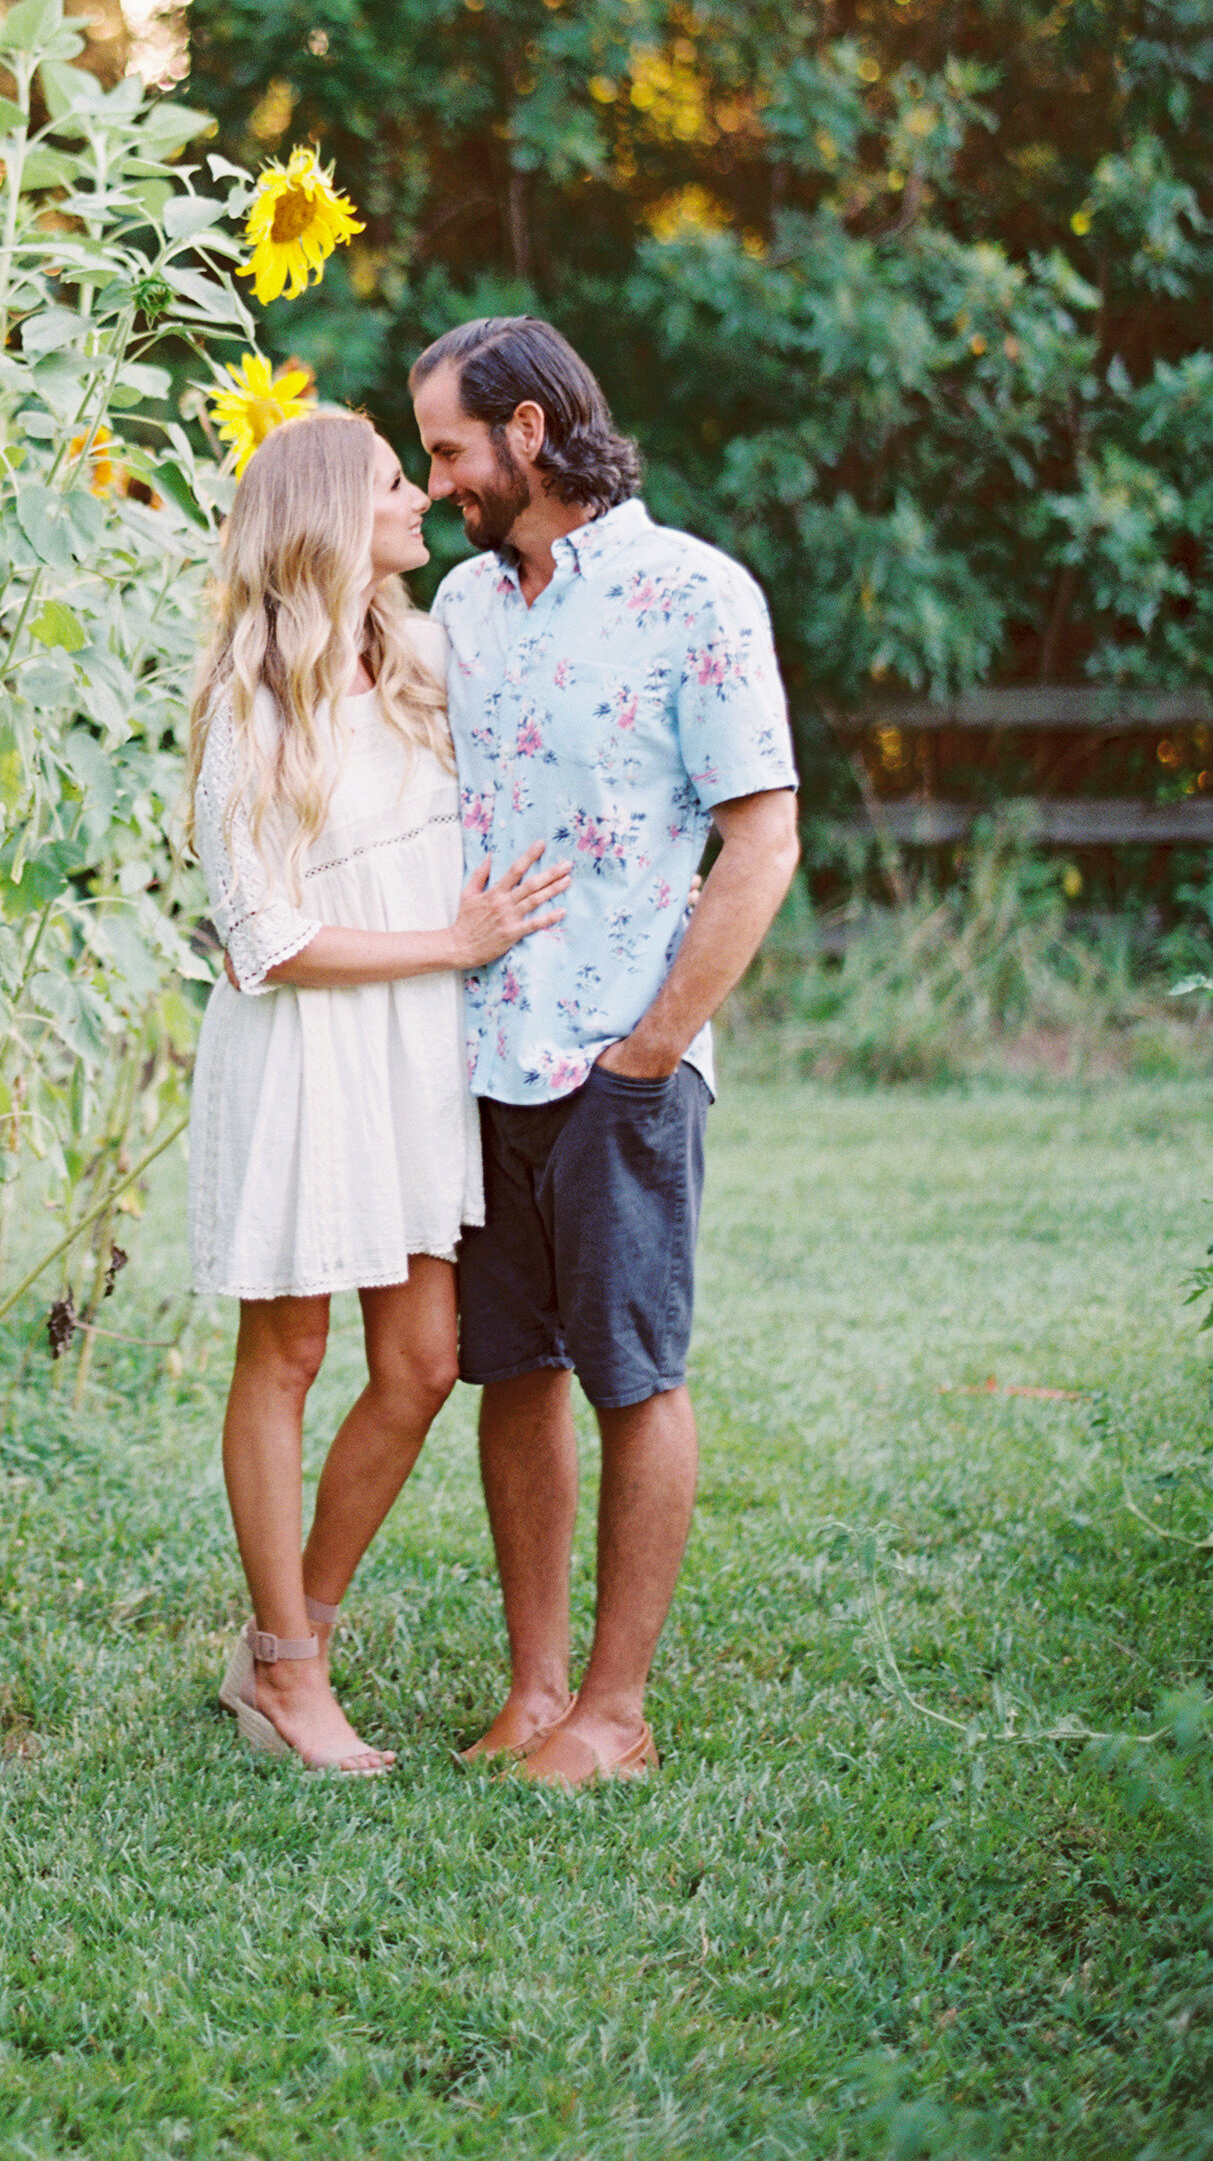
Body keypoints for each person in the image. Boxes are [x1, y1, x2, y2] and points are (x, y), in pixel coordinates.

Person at [411, 315, 800, 1787]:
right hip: (481, 1053)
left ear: (524, 432)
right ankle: (534, 1692)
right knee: (512, 1368)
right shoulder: (457, 602)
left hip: (619, 1056)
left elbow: (760, 835)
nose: (436, 474)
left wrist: (653, 1046)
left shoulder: (692, 593)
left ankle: (616, 1716)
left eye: (450, 447)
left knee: (633, 1374)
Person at [186, 406, 571, 1775]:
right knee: (285, 1354)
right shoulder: (250, 700)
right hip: (303, 1054)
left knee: (419, 1362)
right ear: (325, 519)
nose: (420, 500)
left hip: (414, 1054)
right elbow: (263, 937)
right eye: (394, 485)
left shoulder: (420, 658)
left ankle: (288, 1636)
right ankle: (289, 1674)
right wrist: (450, 947)